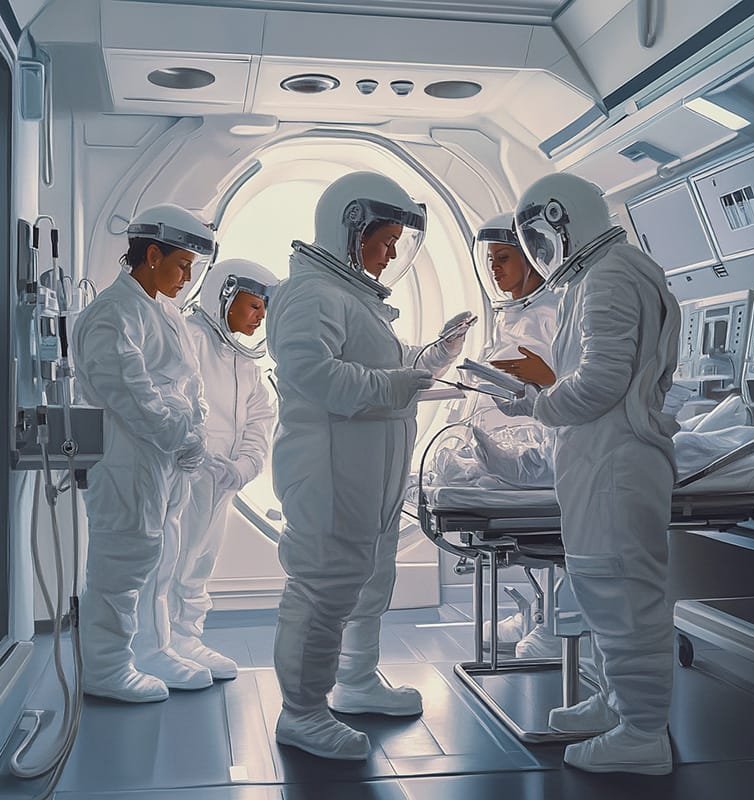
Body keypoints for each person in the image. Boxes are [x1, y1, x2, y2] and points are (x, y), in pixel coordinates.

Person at [267, 171, 472, 760]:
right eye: (383, 244)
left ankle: (355, 681)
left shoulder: (351, 298)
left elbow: (387, 364)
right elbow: (314, 375)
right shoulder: (309, 294)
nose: (386, 259)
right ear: (350, 230)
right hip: (330, 476)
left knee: (369, 582)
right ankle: (301, 712)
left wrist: (435, 356)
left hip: (369, 477)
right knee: (324, 588)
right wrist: (398, 382)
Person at [495, 173, 681, 775]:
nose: (539, 255)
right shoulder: (604, 274)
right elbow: (601, 372)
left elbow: (600, 384)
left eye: (539, 239)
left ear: (561, 218)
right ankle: (616, 705)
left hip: (616, 465)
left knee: (626, 599)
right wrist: (541, 391)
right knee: (606, 594)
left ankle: (643, 734)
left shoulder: (608, 277)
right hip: (603, 463)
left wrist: (533, 404)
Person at [72, 203, 216, 702]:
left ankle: (153, 650)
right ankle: (107, 668)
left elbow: (188, 386)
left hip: (162, 462)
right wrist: (183, 435)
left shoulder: (163, 312)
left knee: (160, 555)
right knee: (124, 557)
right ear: (151, 254)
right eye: (181, 265)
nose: (186, 278)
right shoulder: (113, 314)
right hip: (125, 458)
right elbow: (132, 395)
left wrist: (192, 433)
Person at [168, 259, 279, 680]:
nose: (260, 318)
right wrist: (207, 458)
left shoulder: (244, 361)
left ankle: (186, 637)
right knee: (173, 557)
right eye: (254, 307)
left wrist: (245, 465)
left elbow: (259, 418)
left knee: (201, 559)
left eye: (264, 310)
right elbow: (180, 402)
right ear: (225, 296)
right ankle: (161, 643)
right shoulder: (189, 338)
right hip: (188, 473)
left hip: (223, 480)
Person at [469, 213, 562, 658]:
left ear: (534, 256)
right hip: (524, 429)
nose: (494, 269)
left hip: (553, 431)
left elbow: (564, 379)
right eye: (490, 260)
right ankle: (543, 611)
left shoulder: (554, 312)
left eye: (503, 258)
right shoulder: (514, 315)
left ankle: (554, 624)